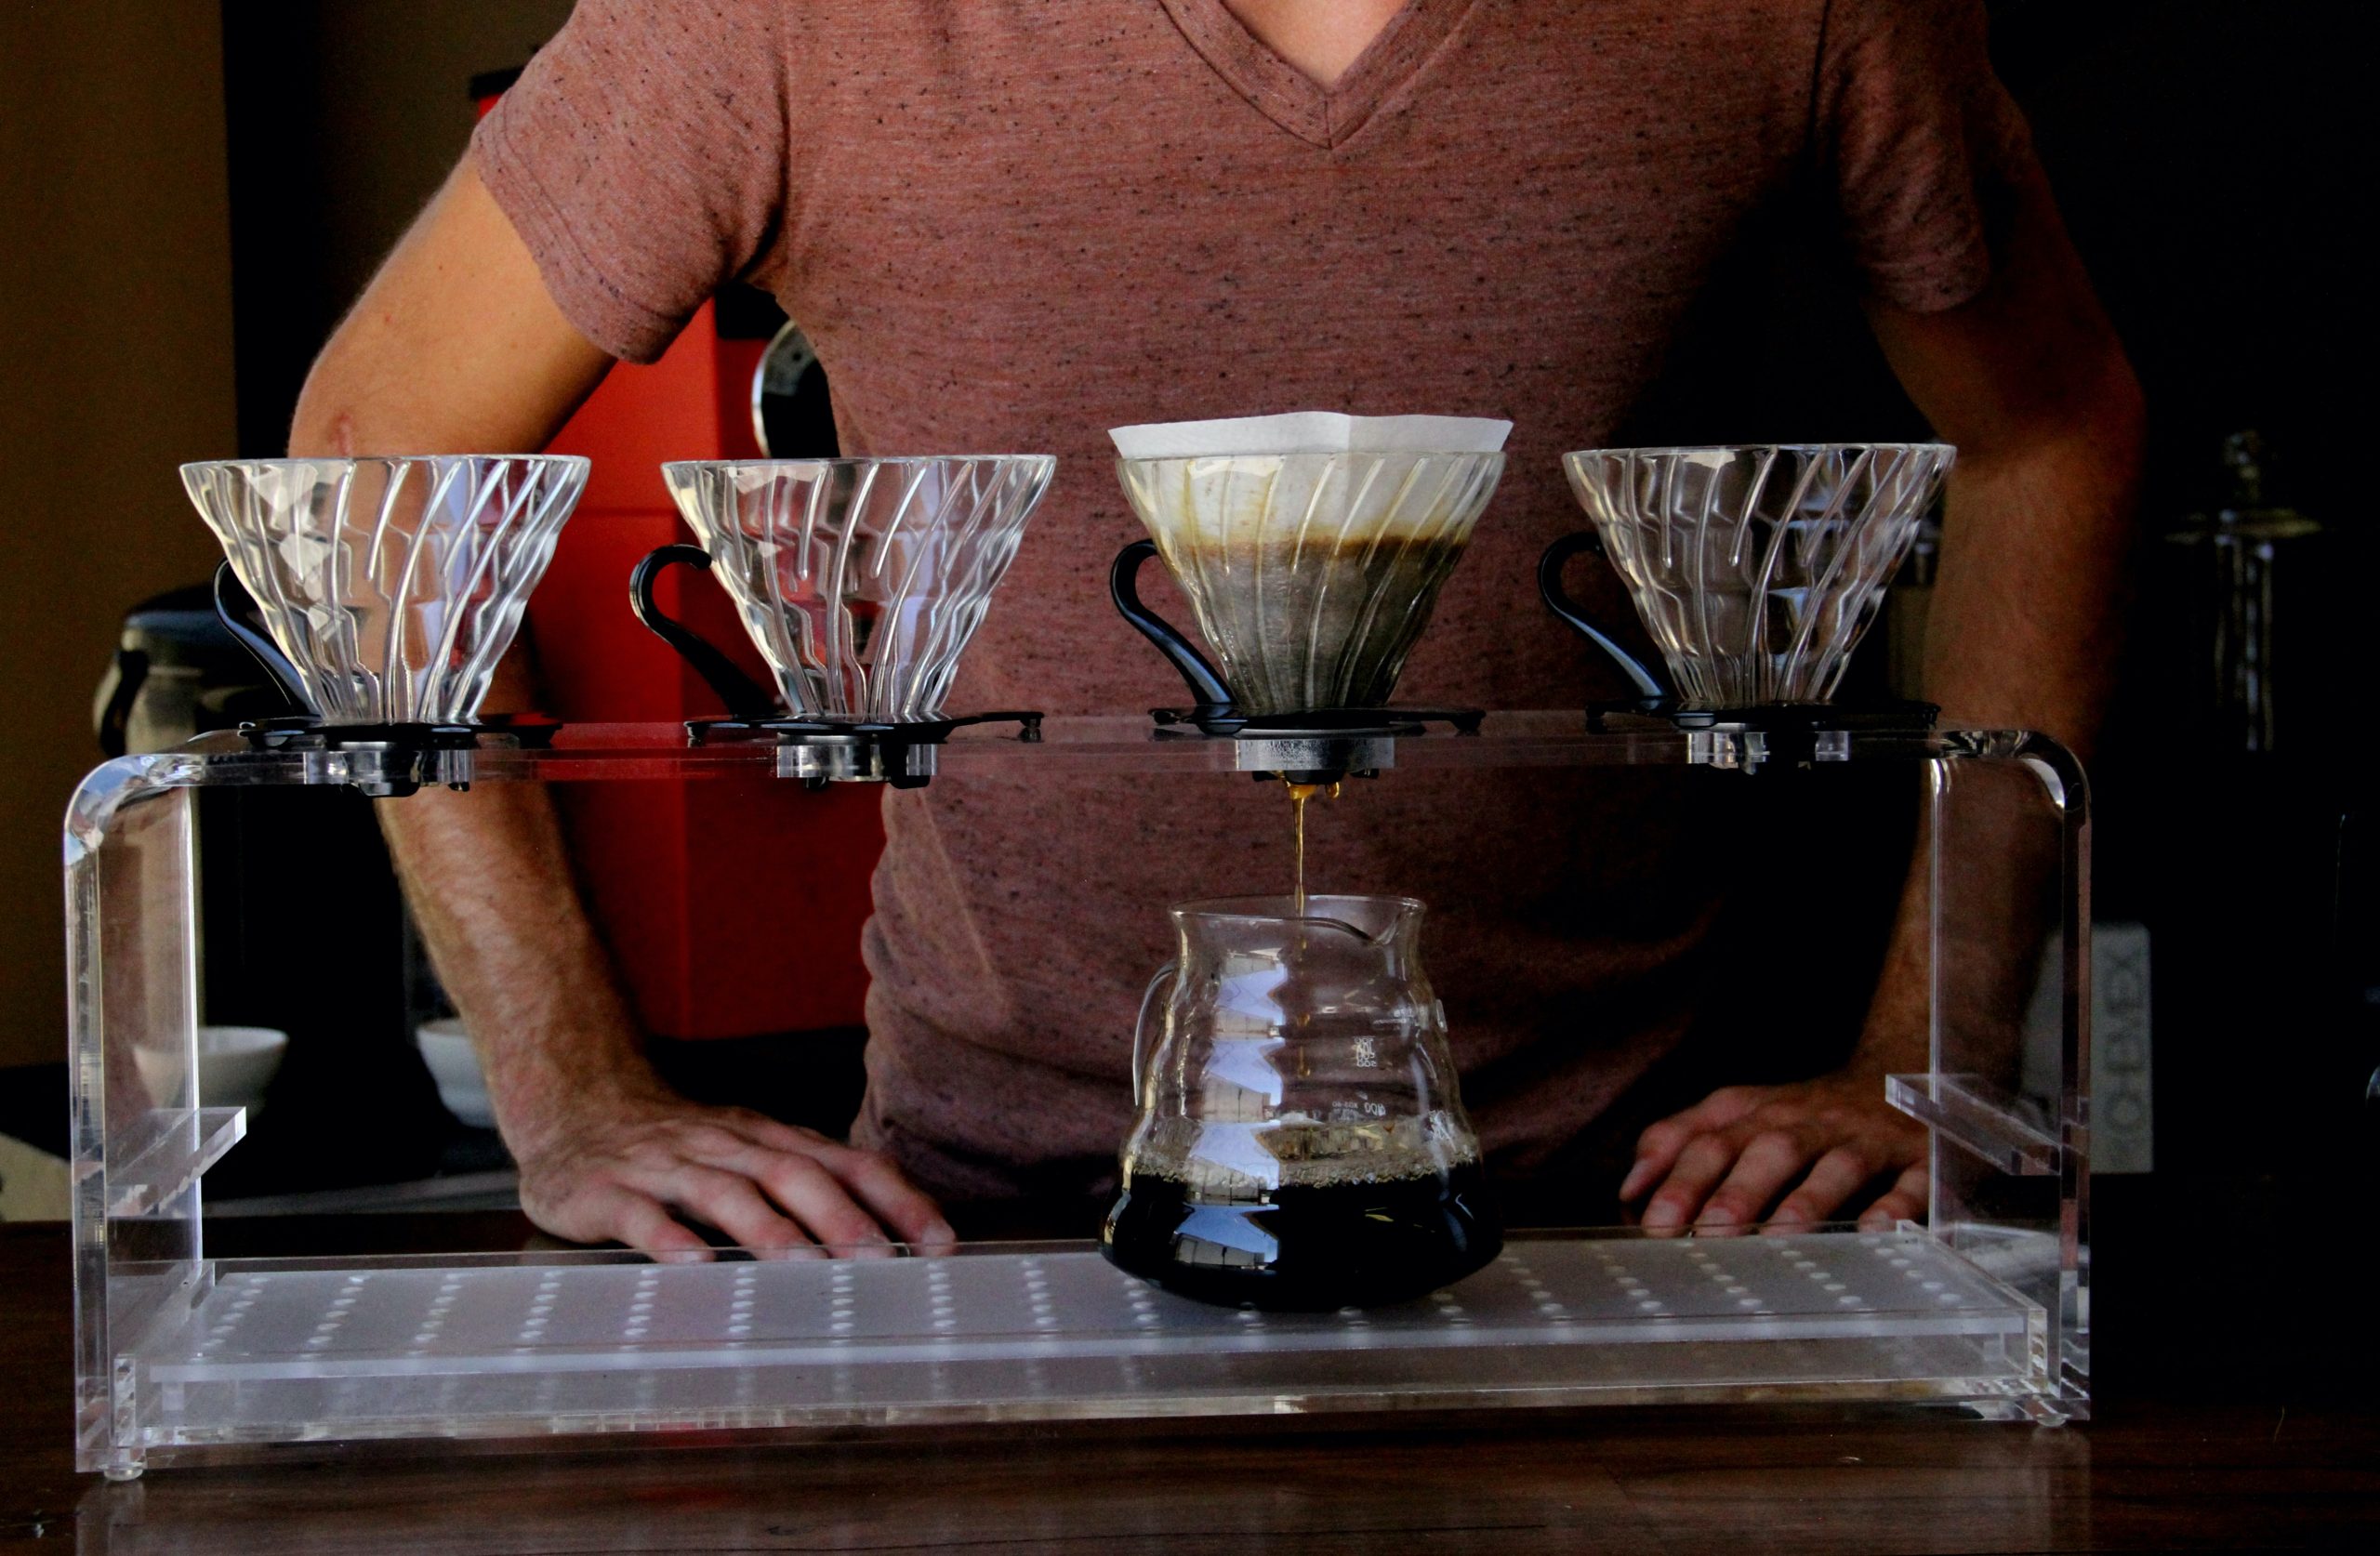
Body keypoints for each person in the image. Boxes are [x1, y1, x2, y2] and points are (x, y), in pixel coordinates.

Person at [293, 0, 2140, 1260]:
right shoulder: (773, 22)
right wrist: (567, 1088)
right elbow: (375, 447)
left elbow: (2053, 430)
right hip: (983, 1228)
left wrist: (1936, 1060)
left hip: (1630, 1222)